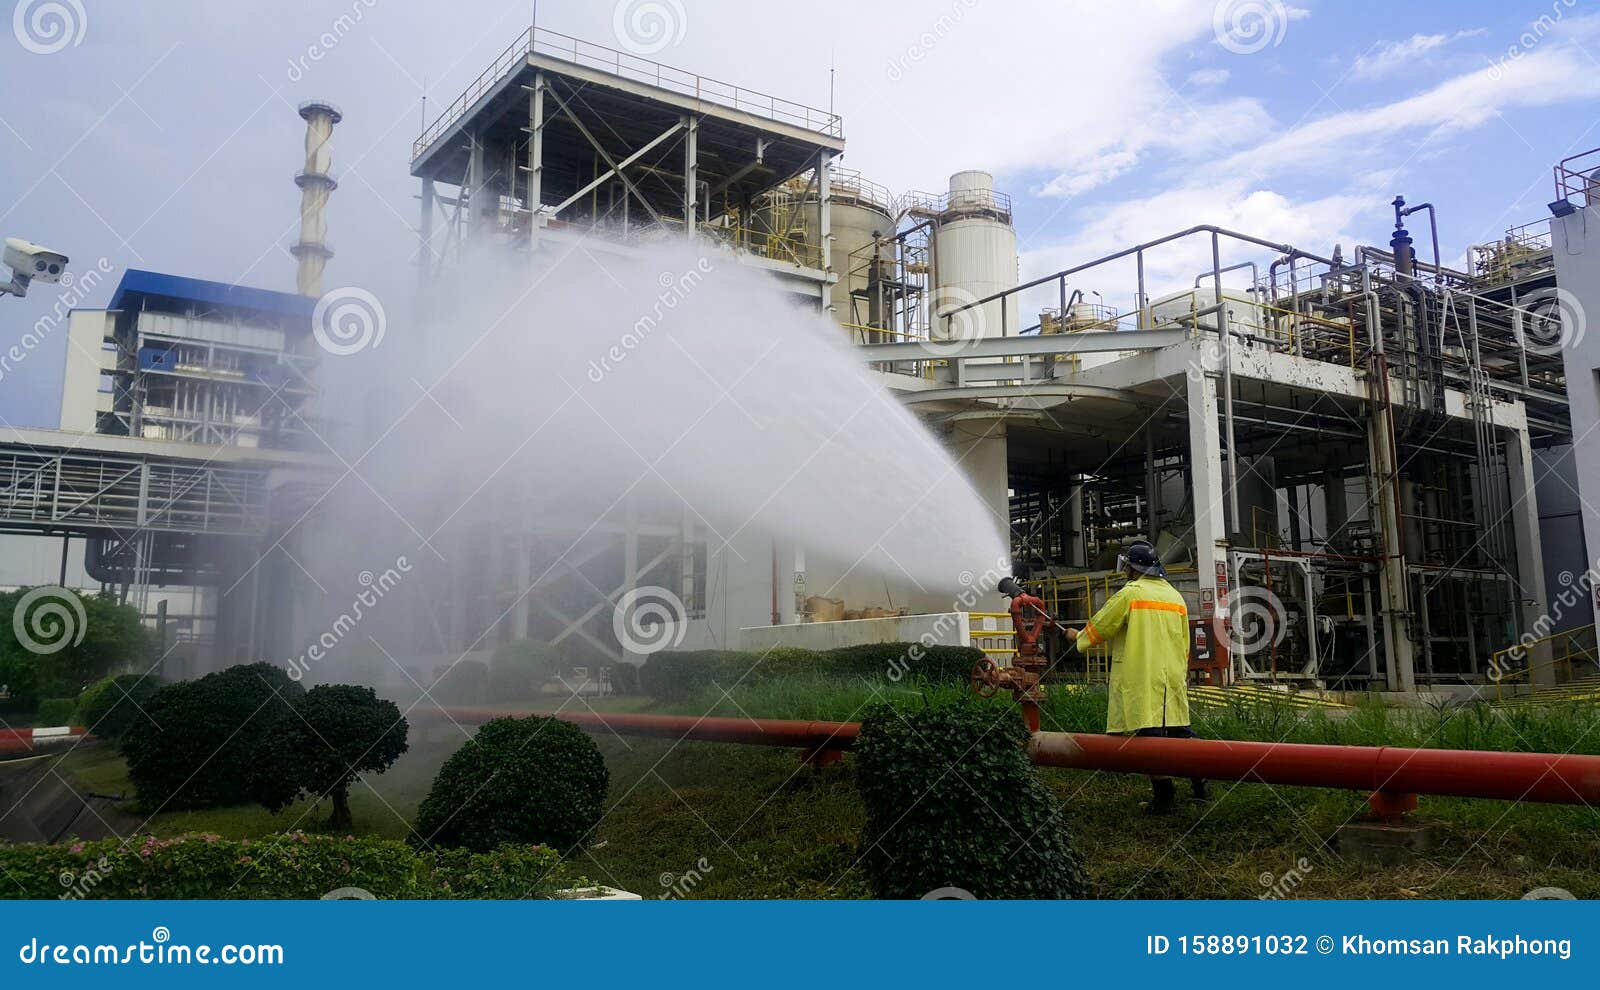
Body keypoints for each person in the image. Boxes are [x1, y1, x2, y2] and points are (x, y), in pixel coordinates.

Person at [1063, 540, 1207, 813]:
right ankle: (1201, 786)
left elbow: (1101, 627)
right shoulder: (1175, 597)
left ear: (1132, 568)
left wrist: (1077, 637)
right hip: (1172, 676)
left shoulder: (1130, 594)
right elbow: (1185, 642)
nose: (1125, 571)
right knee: (1179, 732)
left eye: (1127, 566)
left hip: (1143, 675)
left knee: (1149, 738)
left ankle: (1164, 799)